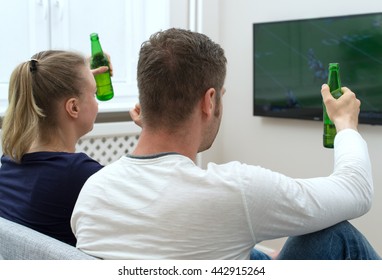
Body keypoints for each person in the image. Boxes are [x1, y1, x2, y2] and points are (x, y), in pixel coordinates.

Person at [71, 28, 380, 259]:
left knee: (258, 254)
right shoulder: (236, 190)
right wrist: (345, 125)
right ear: (210, 100)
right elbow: (357, 191)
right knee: (332, 233)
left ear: (146, 98)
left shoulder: (92, 191)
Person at [0, 50, 111, 246]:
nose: (97, 102)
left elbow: (42, 76)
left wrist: (80, 76)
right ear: (73, 107)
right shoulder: (81, 175)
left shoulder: (10, 162)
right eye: (94, 94)